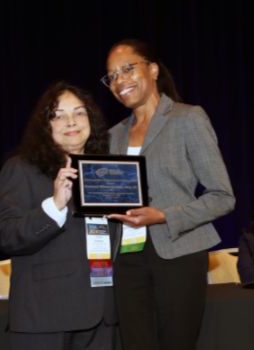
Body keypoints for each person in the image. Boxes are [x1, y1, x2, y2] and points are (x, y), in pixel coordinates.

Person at [101, 39, 235, 350]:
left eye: (127, 69)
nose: (119, 80)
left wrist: (164, 215)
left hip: (179, 252)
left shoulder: (187, 118)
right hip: (127, 258)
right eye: (112, 76)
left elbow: (222, 195)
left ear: (153, 69)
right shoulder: (111, 136)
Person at [0, 81, 118, 350]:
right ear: (46, 125)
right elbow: (6, 236)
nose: (71, 121)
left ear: (91, 120)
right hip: (46, 317)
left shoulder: (109, 170)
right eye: (58, 115)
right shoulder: (22, 168)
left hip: (104, 315)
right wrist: (54, 206)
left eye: (79, 112)